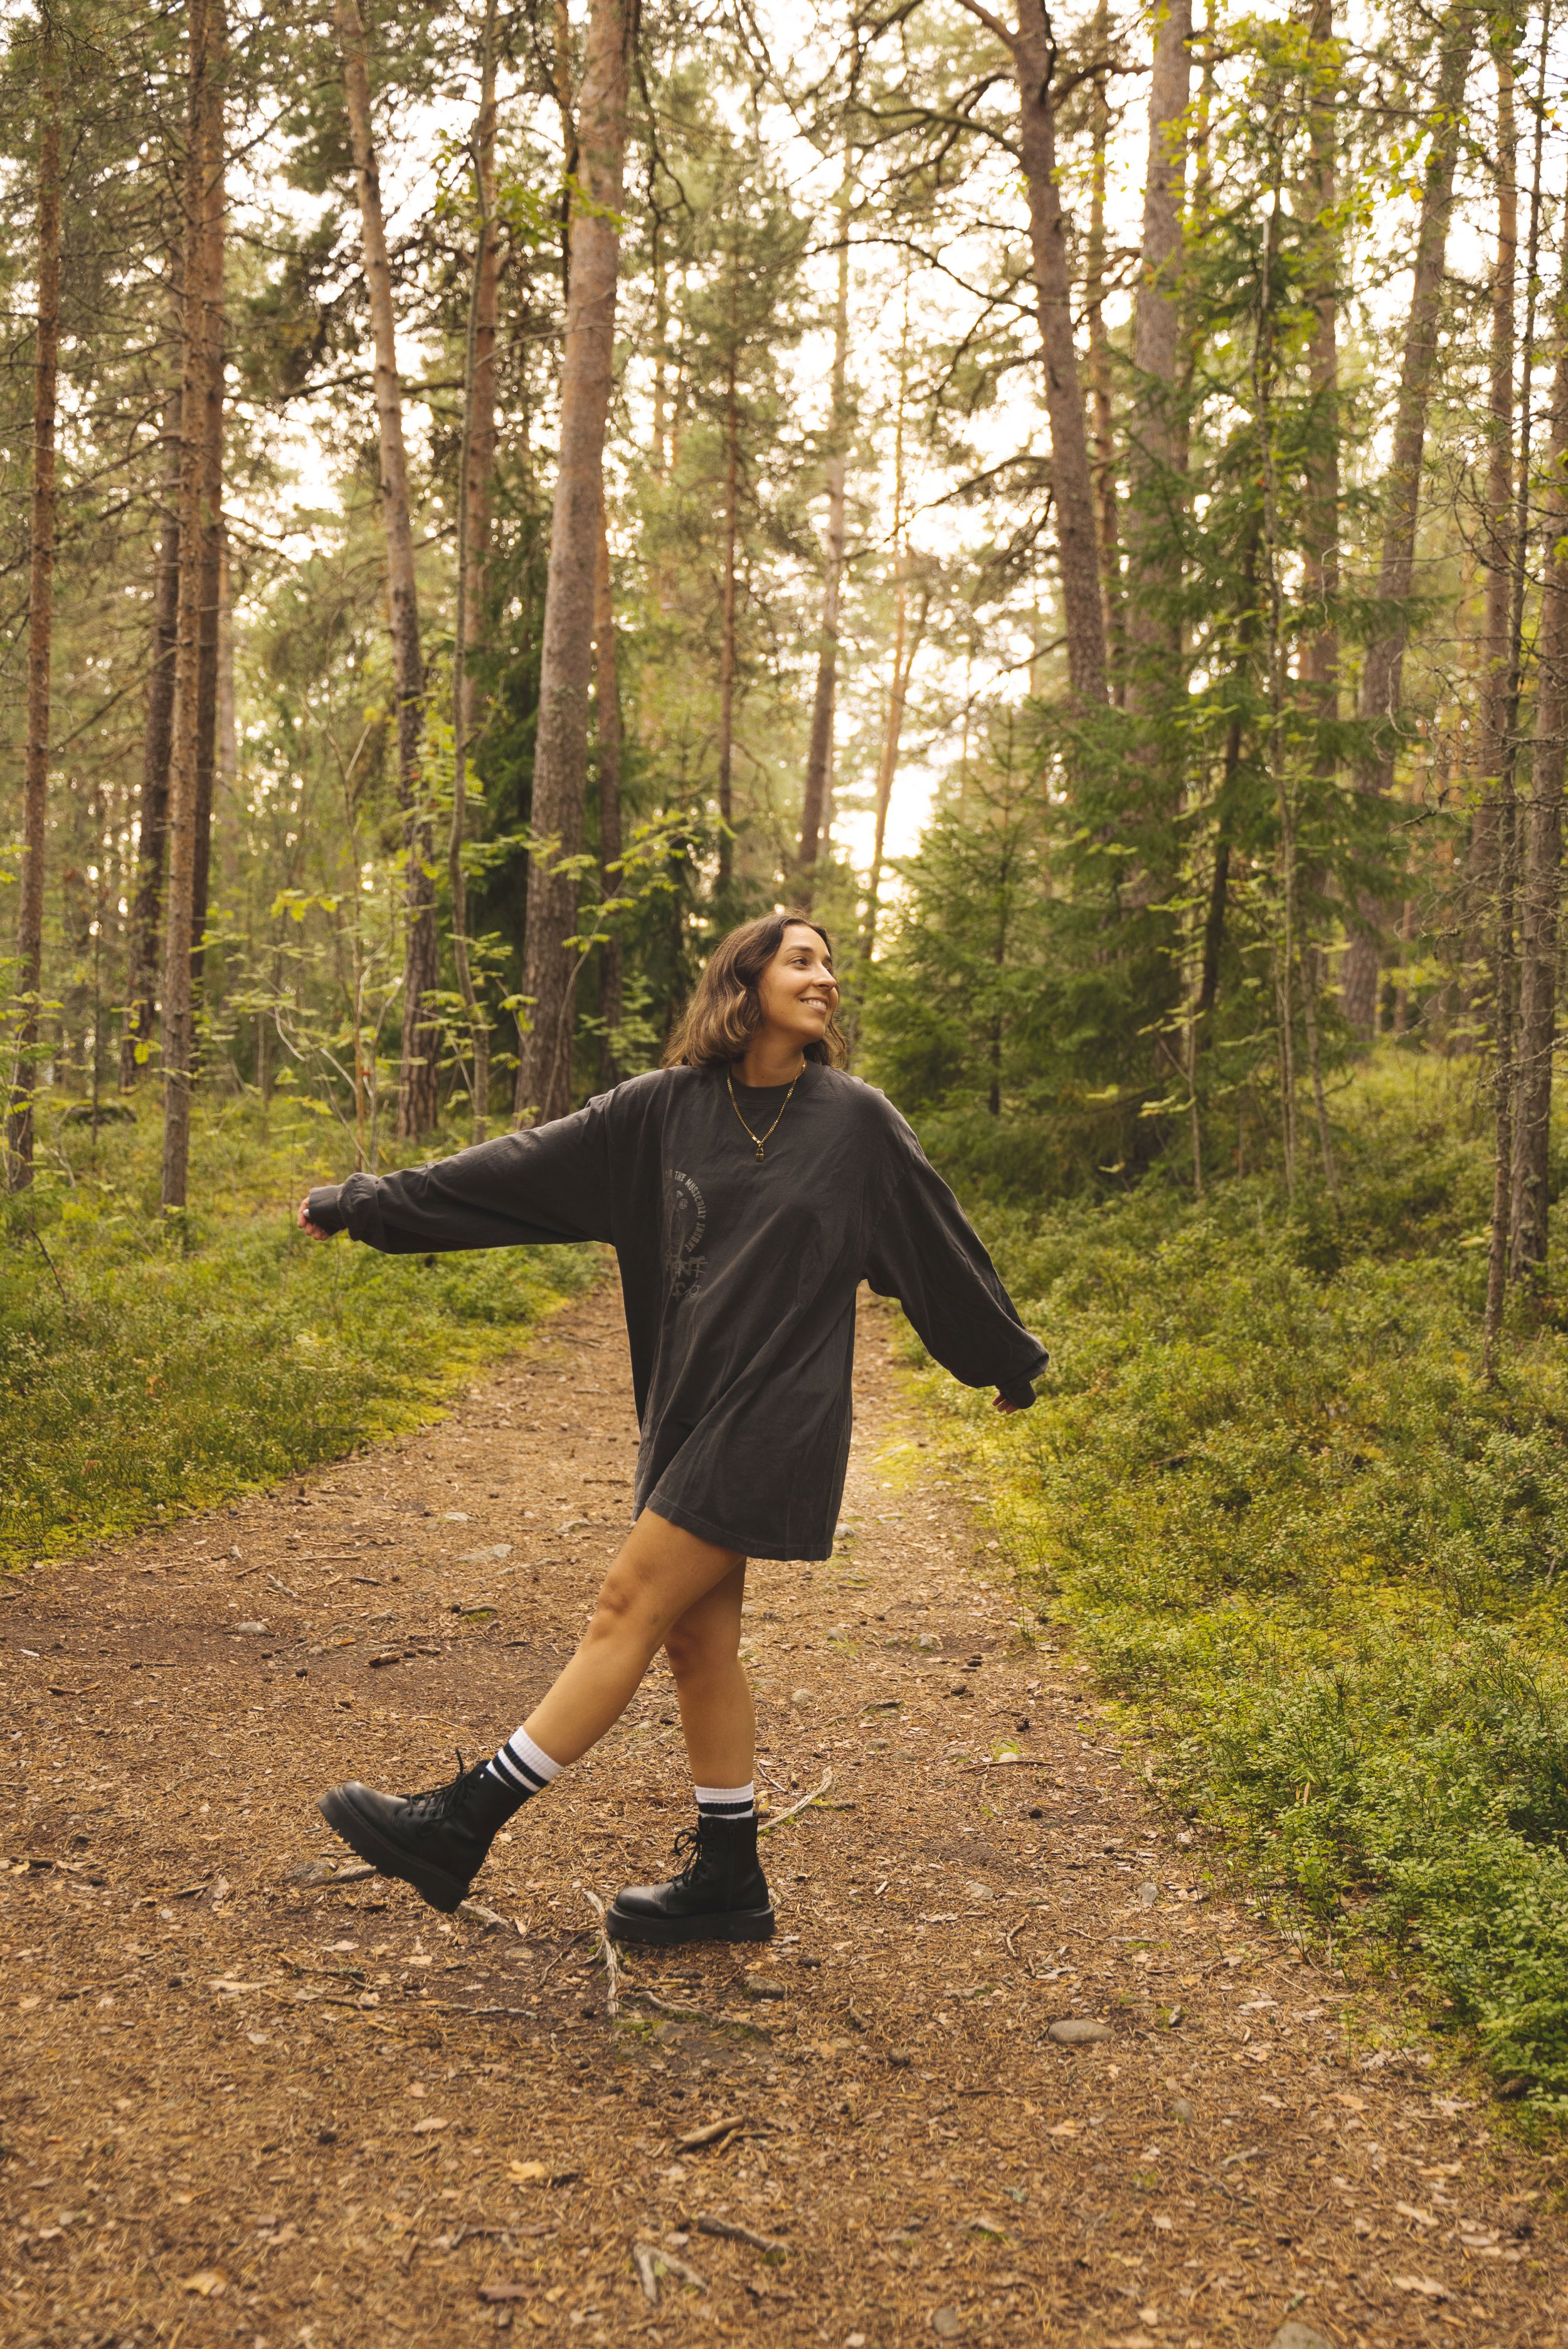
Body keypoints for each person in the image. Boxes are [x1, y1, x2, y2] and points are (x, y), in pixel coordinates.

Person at [299, 913, 1047, 1945]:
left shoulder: (857, 1124)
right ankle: (729, 1877)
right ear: (743, 981)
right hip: (689, 1409)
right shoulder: (659, 1114)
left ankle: (462, 1821)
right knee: (697, 1641)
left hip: (780, 1417)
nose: (825, 977)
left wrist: (1002, 1358)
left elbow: (934, 1236)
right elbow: (510, 1170)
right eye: (801, 960)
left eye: (830, 963)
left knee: (626, 1603)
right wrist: (364, 1204)